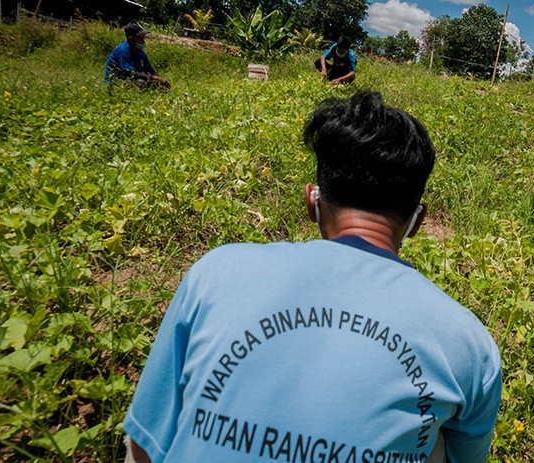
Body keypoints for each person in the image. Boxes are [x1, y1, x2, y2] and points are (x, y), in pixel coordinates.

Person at [123, 91, 502, 463]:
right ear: (418, 222)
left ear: (312, 201)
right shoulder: (468, 343)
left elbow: (143, 445)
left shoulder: (216, 271)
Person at [104, 23, 170, 91]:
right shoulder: (123, 50)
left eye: (143, 37)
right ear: (131, 39)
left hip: (133, 79)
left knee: (157, 85)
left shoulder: (140, 52)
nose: (143, 40)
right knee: (141, 83)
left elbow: (149, 70)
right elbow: (130, 73)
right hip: (117, 81)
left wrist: (160, 79)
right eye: (140, 38)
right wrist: (155, 78)